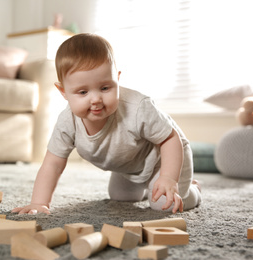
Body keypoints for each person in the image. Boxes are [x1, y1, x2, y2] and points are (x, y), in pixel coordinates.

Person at [12, 33, 201, 215]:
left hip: (167, 158)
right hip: (129, 165)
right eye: (83, 92)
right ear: (63, 92)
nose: (96, 99)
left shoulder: (137, 108)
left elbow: (169, 138)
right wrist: (39, 202)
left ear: (117, 79)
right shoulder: (67, 122)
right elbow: (52, 164)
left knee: (163, 205)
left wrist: (168, 177)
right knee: (120, 197)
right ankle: (148, 186)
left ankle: (192, 191)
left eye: (105, 88)